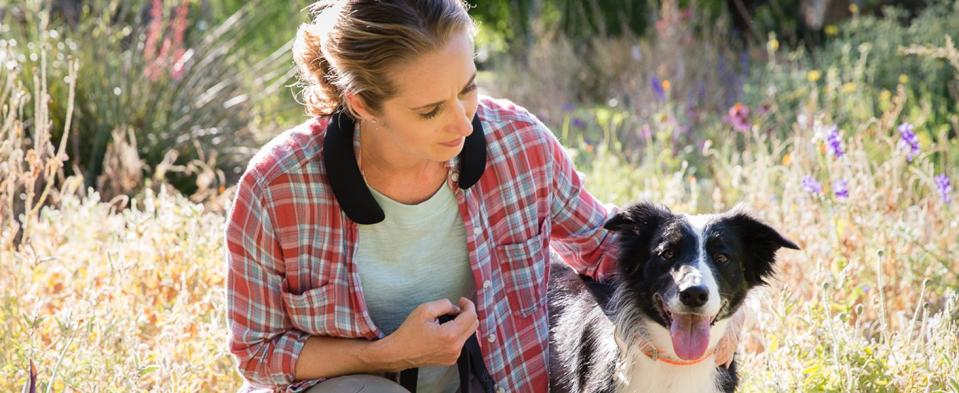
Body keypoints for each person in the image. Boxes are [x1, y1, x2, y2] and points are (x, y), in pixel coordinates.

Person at [225, 1, 741, 392]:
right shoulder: (275, 187)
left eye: (468, 87)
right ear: (363, 104)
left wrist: (706, 312)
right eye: (429, 110)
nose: (464, 121)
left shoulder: (519, 141)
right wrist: (386, 354)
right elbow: (258, 351)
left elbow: (604, 251)